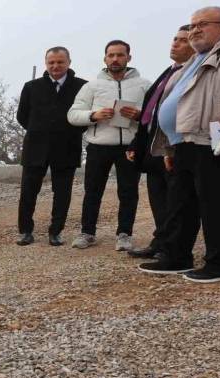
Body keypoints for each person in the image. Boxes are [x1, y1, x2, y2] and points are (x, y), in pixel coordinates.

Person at [139, 6, 220, 282]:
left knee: (216, 203)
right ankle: (177, 257)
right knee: (180, 204)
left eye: (203, 24)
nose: (195, 29)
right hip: (185, 142)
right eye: (193, 25)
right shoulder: (193, 61)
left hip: (219, 141)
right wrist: (170, 146)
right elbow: (175, 104)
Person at [67, 40, 150, 251]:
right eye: (111, 55)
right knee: (93, 191)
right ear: (105, 58)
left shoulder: (144, 85)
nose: (115, 59)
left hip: (130, 146)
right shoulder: (92, 86)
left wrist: (140, 115)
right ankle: (87, 232)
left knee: (129, 191)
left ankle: (124, 234)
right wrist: (93, 115)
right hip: (98, 146)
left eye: (120, 55)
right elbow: (72, 115)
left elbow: (155, 115)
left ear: (128, 58)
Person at [125, 26, 195, 259]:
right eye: (174, 39)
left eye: (183, 41)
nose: (175, 44)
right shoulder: (168, 72)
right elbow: (152, 113)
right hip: (154, 147)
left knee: (178, 201)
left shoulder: (193, 73)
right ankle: (160, 241)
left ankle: (174, 248)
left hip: (176, 146)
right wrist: (137, 143)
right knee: (158, 198)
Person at [15, 46, 88, 246]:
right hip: (35, 148)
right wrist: (39, 131)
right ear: (46, 64)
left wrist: (69, 133)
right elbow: (22, 116)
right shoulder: (31, 87)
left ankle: (56, 232)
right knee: (28, 192)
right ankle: (25, 231)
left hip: (67, 148)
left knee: (62, 193)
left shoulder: (83, 86)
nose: (56, 66)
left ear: (69, 63)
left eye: (60, 62)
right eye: (51, 62)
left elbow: (85, 118)